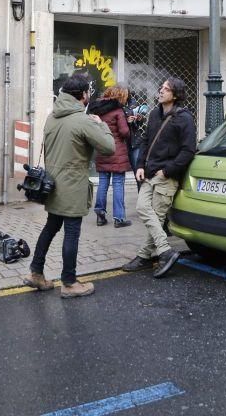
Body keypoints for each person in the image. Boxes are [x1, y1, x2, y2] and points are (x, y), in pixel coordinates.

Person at [22, 74, 114, 298]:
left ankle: (36, 273)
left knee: (50, 227)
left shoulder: (52, 117)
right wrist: (101, 125)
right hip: (72, 186)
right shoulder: (83, 120)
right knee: (71, 233)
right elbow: (109, 147)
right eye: (88, 93)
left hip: (51, 185)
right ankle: (69, 282)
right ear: (83, 95)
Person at [122, 76, 196, 278]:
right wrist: (139, 165)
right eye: (161, 87)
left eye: (166, 89)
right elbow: (145, 141)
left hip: (167, 176)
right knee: (143, 209)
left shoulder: (185, 118)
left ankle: (144, 256)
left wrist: (168, 170)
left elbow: (188, 151)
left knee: (156, 216)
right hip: (149, 172)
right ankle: (165, 250)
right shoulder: (155, 113)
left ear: (176, 94)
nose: (161, 91)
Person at [87, 84, 133, 228]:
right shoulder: (118, 111)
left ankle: (100, 213)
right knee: (118, 183)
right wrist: (129, 124)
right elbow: (125, 132)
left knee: (103, 182)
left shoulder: (96, 110)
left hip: (102, 150)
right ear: (120, 96)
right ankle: (119, 218)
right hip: (116, 152)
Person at [125, 93, 148, 191]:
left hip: (134, 142)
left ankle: (142, 197)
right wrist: (126, 121)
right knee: (118, 177)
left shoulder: (132, 103)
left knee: (138, 170)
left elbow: (140, 122)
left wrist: (140, 118)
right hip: (122, 143)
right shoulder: (115, 105)